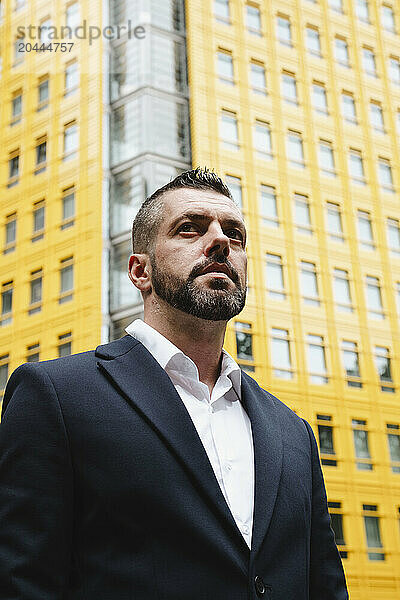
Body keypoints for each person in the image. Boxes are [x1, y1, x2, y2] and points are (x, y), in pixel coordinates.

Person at [0, 167, 348, 600]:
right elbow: (22, 582)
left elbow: (326, 588)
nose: (221, 241)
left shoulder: (293, 432)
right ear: (139, 271)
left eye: (235, 235)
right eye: (189, 229)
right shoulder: (54, 395)